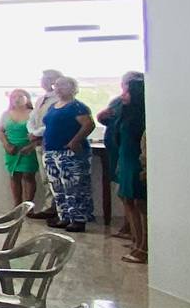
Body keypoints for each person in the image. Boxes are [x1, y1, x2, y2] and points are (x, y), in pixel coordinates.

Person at [39, 75, 97, 231]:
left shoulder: (77, 107)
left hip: (69, 153)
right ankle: (64, 216)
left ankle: (78, 219)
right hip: (51, 152)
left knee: (74, 187)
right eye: (56, 85)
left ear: (73, 88)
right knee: (57, 187)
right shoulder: (53, 106)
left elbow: (88, 125)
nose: (58, 88)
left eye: (63, 85)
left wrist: (75, 141)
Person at [96, 72, 139, 238]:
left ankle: (135, 232)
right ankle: (129, 227)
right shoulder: (117, 101)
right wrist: (102, 116)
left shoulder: (137, 104)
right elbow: (107, 119)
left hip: (130, 152)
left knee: (131, 194)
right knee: (122, 192)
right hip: (116, 151)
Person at [116, 76, 147, 264]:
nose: (123, 95)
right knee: (127, 199)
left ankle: (144, 247)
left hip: (136, 161)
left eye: (126, 91)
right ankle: (136, 240)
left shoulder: (143, 115)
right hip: (125, 159)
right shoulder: (126, 112)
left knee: (139, 202)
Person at [27, 68, 62, 222]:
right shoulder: (41, 99)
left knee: (55, 177)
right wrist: (32, 132)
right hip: (39, 141)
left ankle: (56, 209)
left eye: (48, 78)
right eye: (43, 78)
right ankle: (49, 207)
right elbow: (33, 118)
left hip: (52, 140)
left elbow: (53, 122)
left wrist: (38, 133)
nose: (44, 81)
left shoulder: (59, 99)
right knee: (45, 177)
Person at [0, 90, 39, 209]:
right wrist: (6, 145)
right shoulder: (6, 114)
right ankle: (17, 206)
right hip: (11, 150)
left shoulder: (33, 114)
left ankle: (28, 207)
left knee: (28, 176)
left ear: (27, 98)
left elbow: (40, 132)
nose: (17, 99)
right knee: (14, 176)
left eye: (20, 96)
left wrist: (31, 146)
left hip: (29, 149)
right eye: (14, 97)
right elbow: (0, 131)